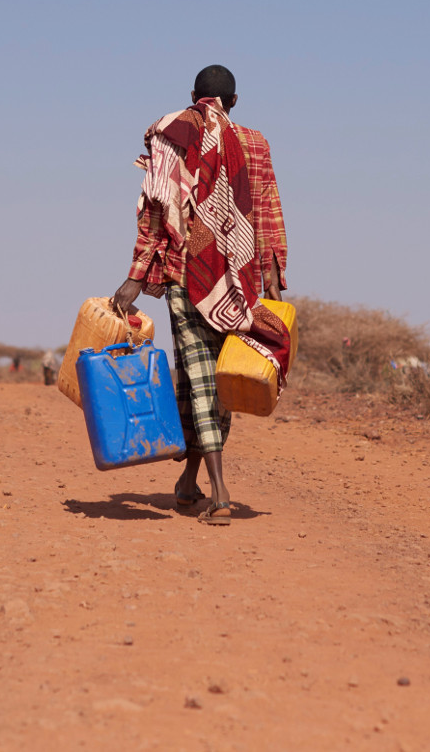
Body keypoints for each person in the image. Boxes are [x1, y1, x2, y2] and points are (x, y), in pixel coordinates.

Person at [110, 65, 290, 526]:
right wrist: (271, 277)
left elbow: (155, 211)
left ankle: (221, 490)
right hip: (241, 284)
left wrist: (134, 277)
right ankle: (189, 482)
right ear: (234, 101)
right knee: (208, 381)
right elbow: (268, 211)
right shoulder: (255, 142)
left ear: (194, 95)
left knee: (200, 376)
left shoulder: (173, 134)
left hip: (187, 276)